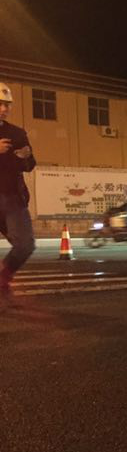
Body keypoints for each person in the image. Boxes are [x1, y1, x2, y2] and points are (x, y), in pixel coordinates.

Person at [0, 82, 36, 299]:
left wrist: (25, 158)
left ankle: (3, 277)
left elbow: (30, 164)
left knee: (25, 245)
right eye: (0, 104)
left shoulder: (17, 133)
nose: (4, 109)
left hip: (13, 198)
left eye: (7, 104)